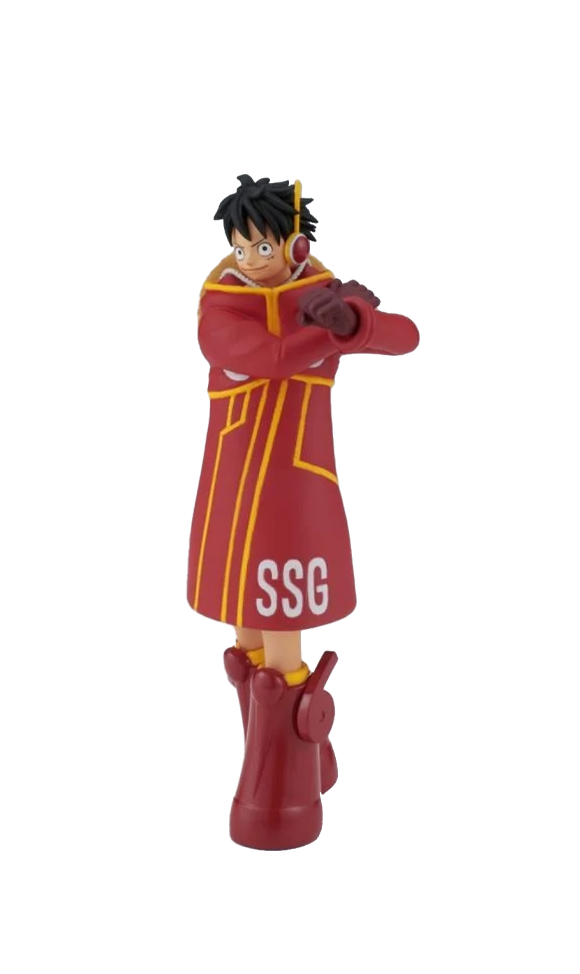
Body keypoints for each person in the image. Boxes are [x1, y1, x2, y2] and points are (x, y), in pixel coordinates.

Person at [187, 174, 419, 849]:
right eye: (240, 247)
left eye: (262, 247)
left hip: (295, 489)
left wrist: (357, 323)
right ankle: (301, 761)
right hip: (231, 488)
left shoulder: (319, 293)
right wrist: (331, 336)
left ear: (294, 245)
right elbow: (264, 356)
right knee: (245, 638)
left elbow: (406, 336)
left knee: (279, 632)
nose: (249, 260)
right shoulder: (220, 305)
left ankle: (284, 792)